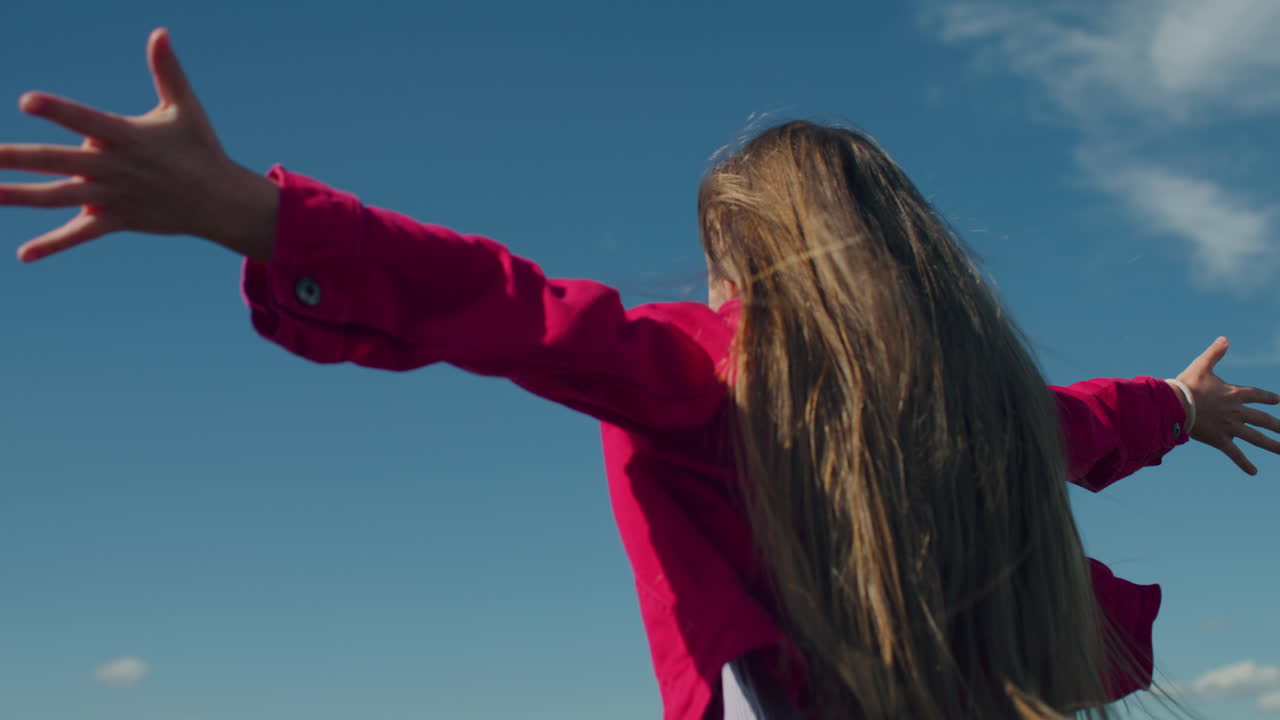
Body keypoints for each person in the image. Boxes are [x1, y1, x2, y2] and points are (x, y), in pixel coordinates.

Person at [4, 29, 1279, 720]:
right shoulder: (980, 408)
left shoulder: (706, 363)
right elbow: (1089, 419)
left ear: (757, 267)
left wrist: (260, 216)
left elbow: (502, 307)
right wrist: (1182, 405)